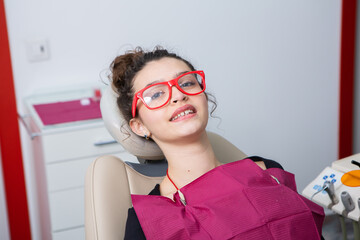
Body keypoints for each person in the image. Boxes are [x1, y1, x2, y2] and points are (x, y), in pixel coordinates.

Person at [110, 46, 325, 240]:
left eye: (186, 83)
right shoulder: (147, 221)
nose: (178, 95)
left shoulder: (268, 173)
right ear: (140, 126)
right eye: (156, 94)